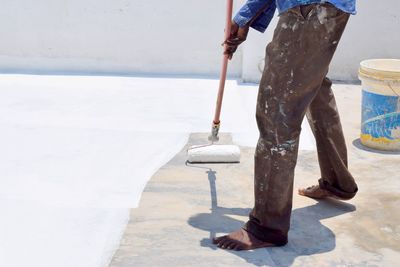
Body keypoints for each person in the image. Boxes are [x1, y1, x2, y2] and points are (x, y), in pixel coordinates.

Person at [213, 0, 359, 251]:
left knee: (277, 110)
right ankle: (338, 181)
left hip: (309, 10)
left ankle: (267, 226)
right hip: (323, 7)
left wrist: (247, 14)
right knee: (314, 88)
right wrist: (249, 16)